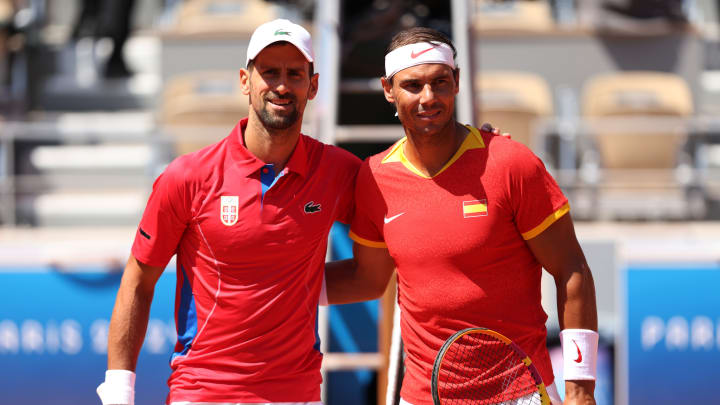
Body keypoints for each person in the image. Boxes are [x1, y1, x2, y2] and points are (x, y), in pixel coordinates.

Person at [325, 27, 598, 405]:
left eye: (440, 82)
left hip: (519, 394)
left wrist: (580, 389)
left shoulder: (511, 163)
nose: (428, 97)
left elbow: (572, 270)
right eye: (413, 85)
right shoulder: (374, 178)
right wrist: (273, 286)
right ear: (388, 90)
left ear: (456, 83)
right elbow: (366, 279)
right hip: (422, 397)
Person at [96, 19, 361, 405]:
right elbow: (138, 283)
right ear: (245, 81)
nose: (282, 86)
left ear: (314, 85)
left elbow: (395, 233)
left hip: (296, 394)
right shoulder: (187, 176)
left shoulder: (339, 170)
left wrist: (297, 289)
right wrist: (119, 392)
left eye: (294, 74)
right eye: (269, 72)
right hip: (203, 392)